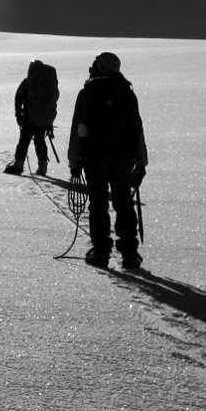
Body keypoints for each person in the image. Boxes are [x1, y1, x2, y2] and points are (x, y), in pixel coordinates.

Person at [67, 52, 148, 270]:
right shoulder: (127, 93)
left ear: (100, 67)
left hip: (94, 159)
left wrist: (74, 161)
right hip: (123, 159)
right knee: (123, 203)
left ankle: (101, 251)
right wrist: (141, 160)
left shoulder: (87, 93)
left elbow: (78, 128)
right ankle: (130, 253)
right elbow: (137, 128)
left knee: (99, 205)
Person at [4, 60, 59, 176]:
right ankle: (42, 168)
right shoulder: (49, 84)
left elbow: (18, 98)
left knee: (24, 141)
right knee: (40, 141)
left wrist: (18, 114)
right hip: (44, 120)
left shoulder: (28, 82)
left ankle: (18, 165)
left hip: (29, 117)